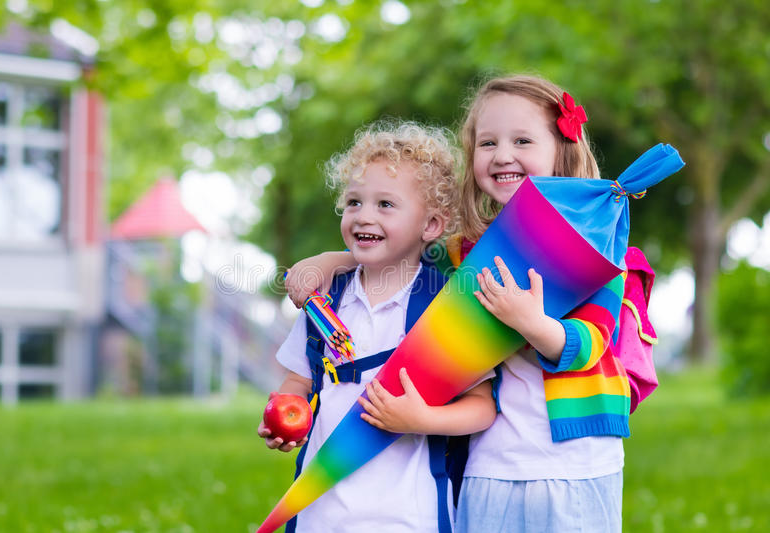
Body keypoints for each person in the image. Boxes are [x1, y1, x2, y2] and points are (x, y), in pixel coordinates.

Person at [286, 75, 630, 532]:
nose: (502, 154)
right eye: (487, 142)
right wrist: (330, 259)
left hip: (576, 460)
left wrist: (531, 322)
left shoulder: (598, 246)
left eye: (522, 140)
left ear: (561, 149)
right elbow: (401, 249)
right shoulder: (461, 252)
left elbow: (591, 344)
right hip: (489, 460)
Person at [258, 120, 497, 533]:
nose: (363, 216)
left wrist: (421, 419)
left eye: (385, 204)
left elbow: (483, 407)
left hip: (408, 515)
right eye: (354, 202)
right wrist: (283, 414)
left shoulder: (446, 308)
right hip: (319, 512)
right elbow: (298, 380)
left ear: (431, 226)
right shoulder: (323, 301)